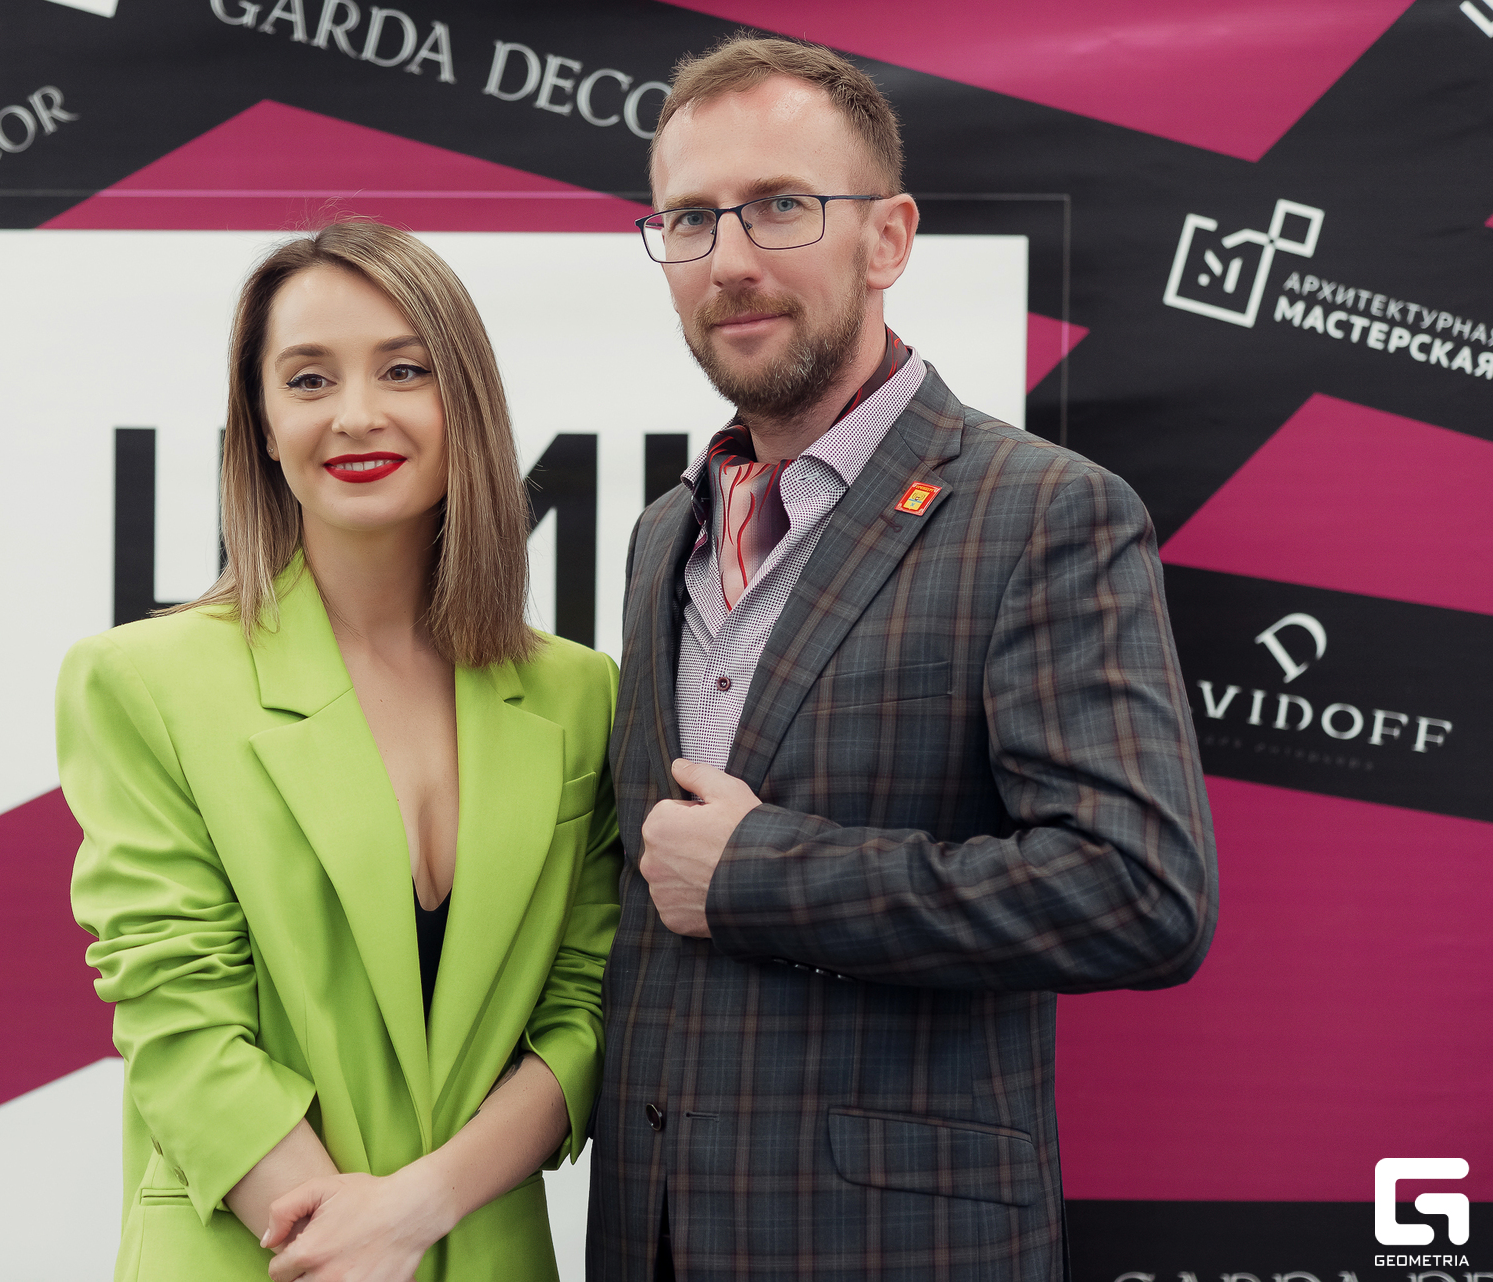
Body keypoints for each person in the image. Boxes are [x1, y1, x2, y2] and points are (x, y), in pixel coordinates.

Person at [587, 36, 1217, 1281]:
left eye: (781, 205)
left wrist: (761, 873)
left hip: (897, 1246)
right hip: (648, 1237)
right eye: (691, 219)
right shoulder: (666, 532)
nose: (730, 260)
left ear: (888, 239)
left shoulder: (1044, 511)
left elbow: (1140, 891)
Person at [60, 220, 621, 1281]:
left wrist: (418, 1209)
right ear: (264, 427)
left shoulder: (581, 694)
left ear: (466, 403)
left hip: (487, 1249)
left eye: (404, 370)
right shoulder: (143, 681)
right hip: (254, 1253)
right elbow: (179, 1018)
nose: (356, 414)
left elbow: (586, 1011)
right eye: (308, 379)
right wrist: (344, 1247)